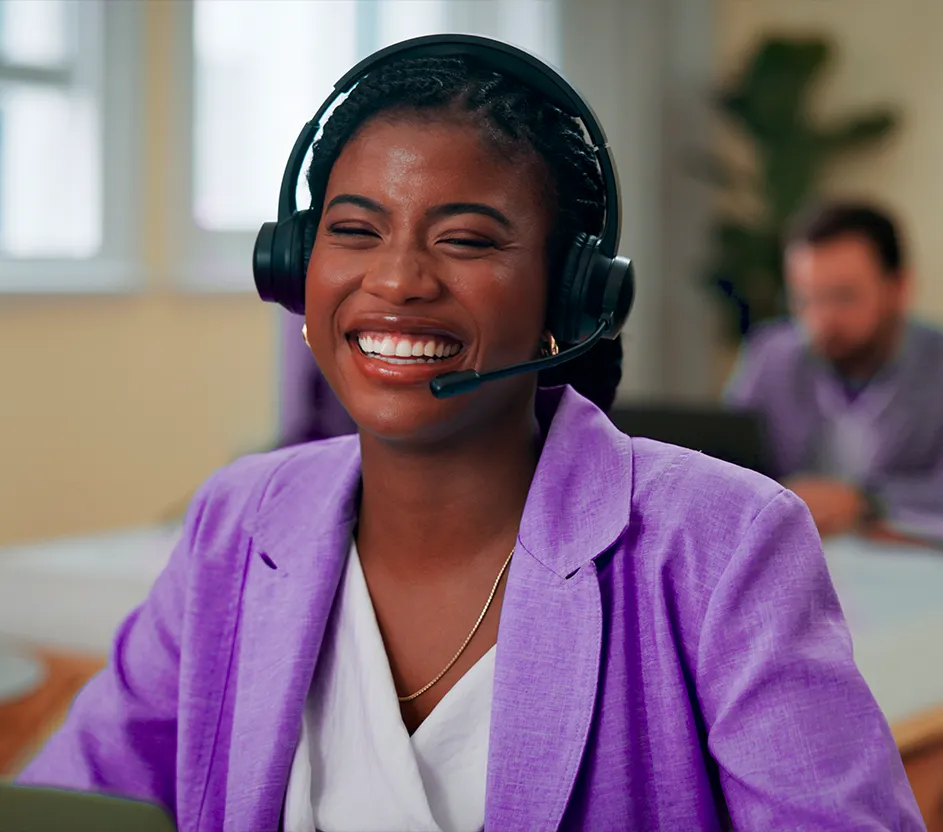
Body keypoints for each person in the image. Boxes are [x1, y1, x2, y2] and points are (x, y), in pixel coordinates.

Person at [17, 38, 922, 832]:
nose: (398, 280)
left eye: (467, 240)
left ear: (569, 301)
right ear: (296, 268)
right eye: (354, 230)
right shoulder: (234, 525)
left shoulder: (724, 544)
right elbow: (78, 797)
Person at [725, 201, 943, 539]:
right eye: (805, 299)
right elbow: (729, 467)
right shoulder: (771, 355)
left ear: (898, 288)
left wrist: (867, 502)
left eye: (844, 297)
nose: (822, 320)